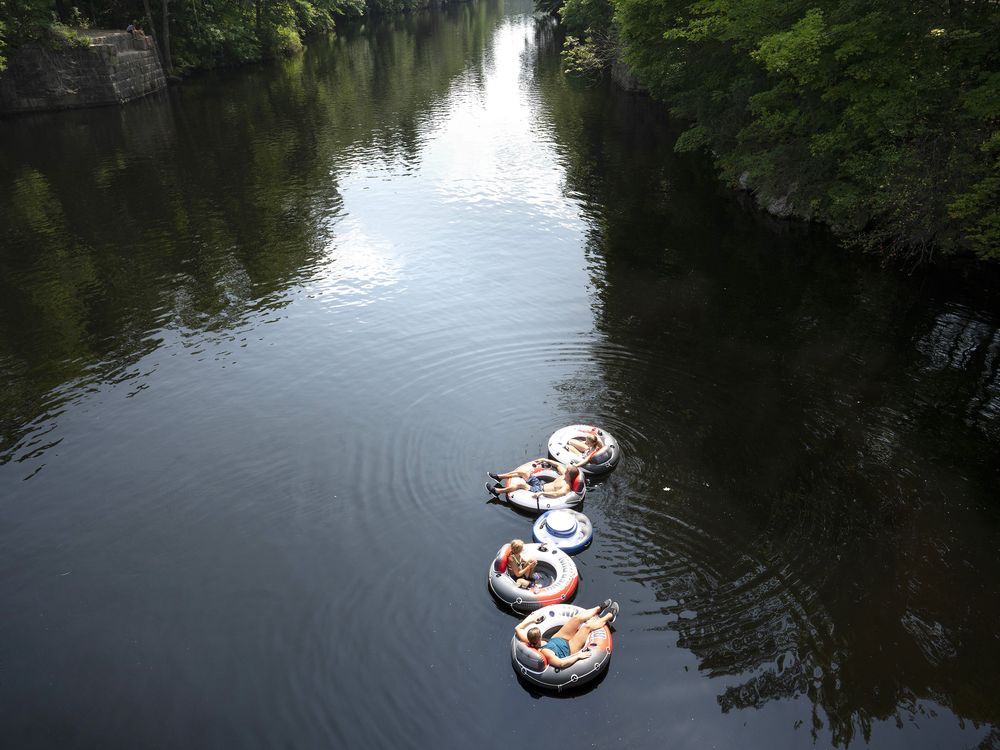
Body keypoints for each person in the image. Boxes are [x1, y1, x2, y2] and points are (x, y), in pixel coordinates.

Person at [514, 600, 619, 668]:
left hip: (557, 639)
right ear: (539, 637)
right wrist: (578, 656)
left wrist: (531, 620)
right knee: (586, 627)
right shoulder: (546, 652)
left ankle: (599, 608)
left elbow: (517, 628)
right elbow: (561, 663)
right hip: (569, 648)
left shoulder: (529, 640)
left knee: (576, 618)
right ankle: (610, 615)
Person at [485, 460, 582, 500]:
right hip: (540, 484)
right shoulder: (564, 475)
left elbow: (557, 494)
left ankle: (497, 491)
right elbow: (557, 465)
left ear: (569, 474)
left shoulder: (566, 486)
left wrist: (542, 494)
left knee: (521, 485)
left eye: (567, 469)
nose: (566, 468)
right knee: (522, 472)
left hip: (540, 490)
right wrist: (545, 459)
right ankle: (498, 477)